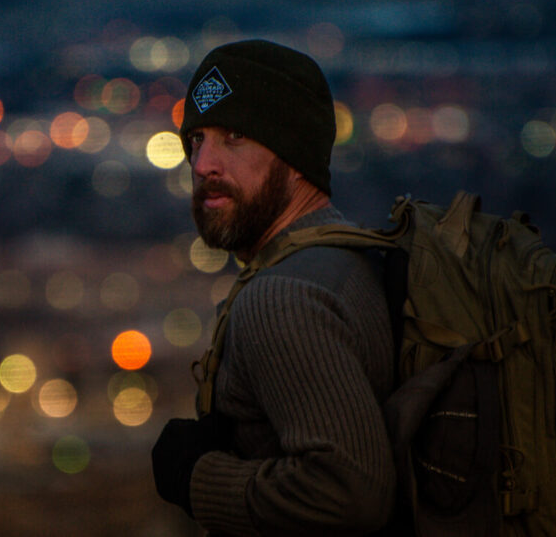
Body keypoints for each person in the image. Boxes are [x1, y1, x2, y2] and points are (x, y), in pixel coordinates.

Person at [151, 39, 396, 536]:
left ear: (295, 152)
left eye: (235, 136)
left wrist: (197, 479)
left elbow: (351, 493)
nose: (202, 165)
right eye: (196, 139)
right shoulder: (351, 262)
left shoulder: (282, 297)